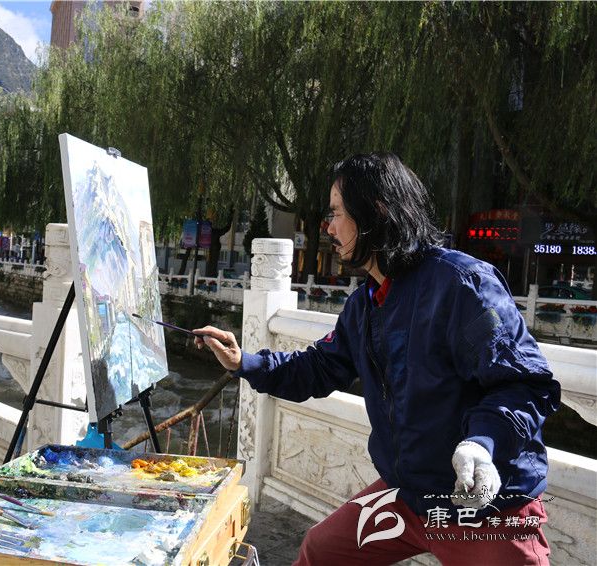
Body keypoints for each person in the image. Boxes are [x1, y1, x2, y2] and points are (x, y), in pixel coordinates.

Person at [195, 152, 560, 565]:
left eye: (336, 212)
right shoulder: (365, 304)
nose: (328, 227)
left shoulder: (462, 285)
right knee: (321, 551)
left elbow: (526, 384)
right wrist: (243, 362)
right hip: (410, 496)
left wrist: (482, 443)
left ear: (377, 211)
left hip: (485, 503)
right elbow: (320, 367)